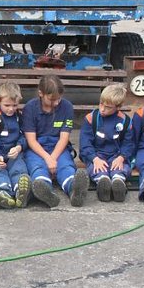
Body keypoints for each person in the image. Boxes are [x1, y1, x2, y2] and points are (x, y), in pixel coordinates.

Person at [22, 74, 88, 207]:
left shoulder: (67, 107)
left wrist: (53, 158)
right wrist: (48, 158)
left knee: (66, 166)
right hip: (37, 148)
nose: (56, 103)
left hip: (58, 147)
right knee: (37, 167)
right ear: (41, 93)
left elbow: (64, 138)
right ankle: (45, 190)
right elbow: (31, 140)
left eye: (59, 99)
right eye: (52, 100)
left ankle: (74, 189)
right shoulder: (30, 108)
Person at [79, 83, 133, 203]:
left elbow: (129, 144)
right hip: (97, 155)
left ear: (118, 107)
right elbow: (85, 143)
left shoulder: (125, 121)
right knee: (97, 169)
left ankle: (118, 182)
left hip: (116, 155)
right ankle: (103, 184)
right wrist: (94, 158)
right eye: (101, 104)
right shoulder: (91, 118)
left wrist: (122, 157)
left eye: (108, 107)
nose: (102, 109)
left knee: (121, 168)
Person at [0, 81, 30, 209]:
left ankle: (21, 191)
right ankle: (3, 193)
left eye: (14, 105)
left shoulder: (19, 117)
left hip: (14, 154)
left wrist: (19, 146)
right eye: (7, 105)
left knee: (19, 168)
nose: (11, 109)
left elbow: (24, 135)